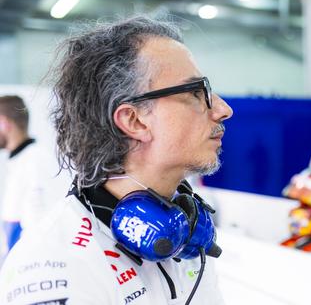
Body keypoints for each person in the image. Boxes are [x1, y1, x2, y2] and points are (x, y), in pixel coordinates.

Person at [0, 16, 233, 304]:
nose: (223, 109)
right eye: (196, 93)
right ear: (134, 120)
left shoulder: (185, 235)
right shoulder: (54, 265)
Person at [0, 95, 69, 252]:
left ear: (3, 123)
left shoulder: (37, 161)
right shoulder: (20, 162)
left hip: (33, 265)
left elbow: (45, 228)